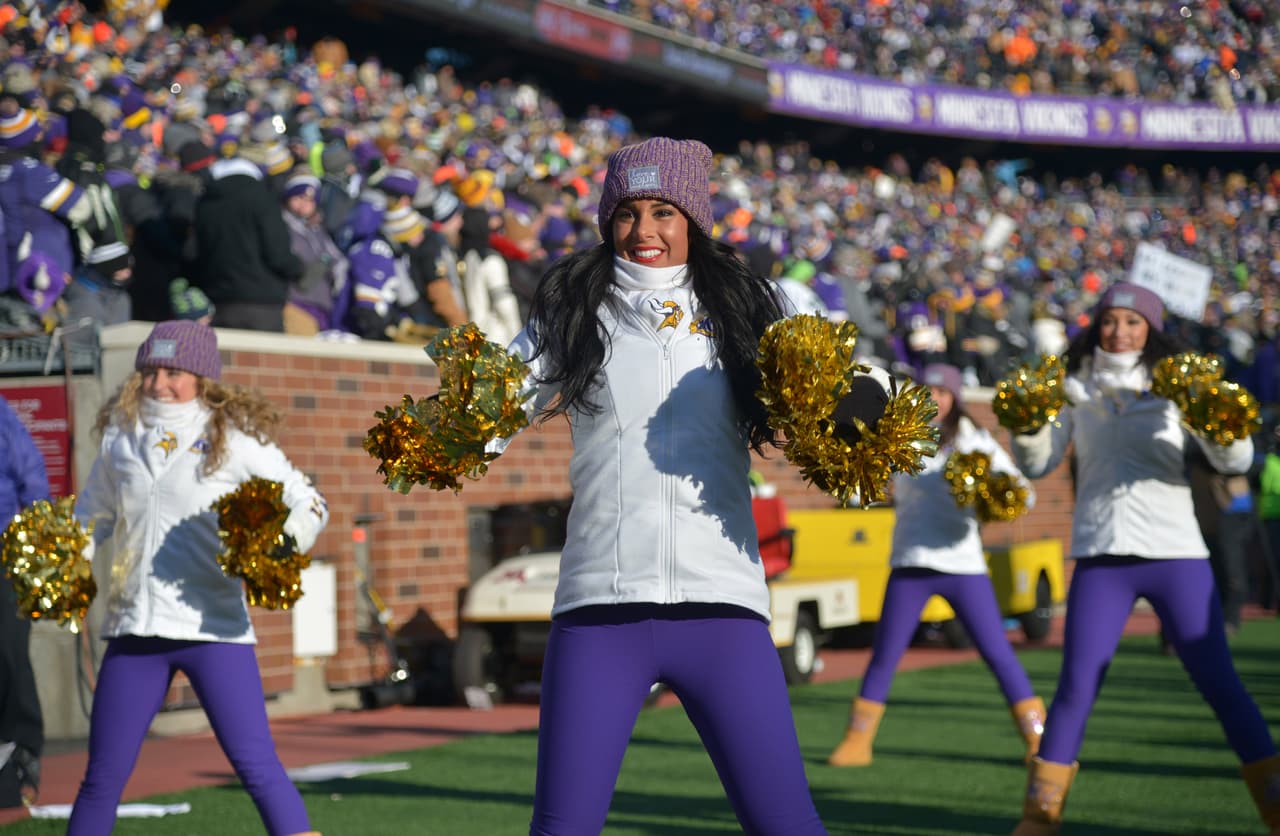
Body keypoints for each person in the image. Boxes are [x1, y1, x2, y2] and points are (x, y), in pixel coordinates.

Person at [496, 137, 828, 834]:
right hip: (600, 610)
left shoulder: (751, 310)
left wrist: (864, 410)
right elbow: (489, 405)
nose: (644, 231)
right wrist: (436, 431)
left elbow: (833, 391)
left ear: (694, 220)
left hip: (722, 607)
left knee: (786, 824)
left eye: (663, 212)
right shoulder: (570, 315)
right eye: (627, 213)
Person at [1006, 283, 1278, 835]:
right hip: (1102, 555)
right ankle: (1039, 817)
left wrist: (1215, 417)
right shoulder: (1072, 384)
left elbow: (1237, 457)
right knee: (1076, 688)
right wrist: (1029, 423)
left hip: (1176, 553)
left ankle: (1276, 808)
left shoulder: (1179, 383)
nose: (1120, 331)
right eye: (1111, 320)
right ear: (1096, 325)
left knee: (1220, 683)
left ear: (1150, 329)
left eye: (1133, 321)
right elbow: (1037, 464)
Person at [68, 320, 328, 836]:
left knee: (257, 767)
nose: (159, 383)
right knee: (101, 778)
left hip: (214, 628)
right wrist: (61, 560)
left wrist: (280, 540)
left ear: (202, 377)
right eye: (151, 370)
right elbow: (91, 516)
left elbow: (309, 502)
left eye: (173, 371)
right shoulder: (122, 436)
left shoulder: (231, 437)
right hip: (135, 630)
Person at [828, 363, 1044, 768]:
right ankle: (857, 740)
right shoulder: (900, 436)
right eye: (928, 392)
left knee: (998, 652)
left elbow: (1023, 495)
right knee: (886, 654)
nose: (936, 400)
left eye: (944, 393)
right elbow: (862, 488)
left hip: (964, 565)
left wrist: (990, 493)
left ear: (956, 398)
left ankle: (1036, 737)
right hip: (911, 562)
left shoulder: (974, 440)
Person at [0, 395, 50, 808]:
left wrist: (38, 549)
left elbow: (31, 476)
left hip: (4, 556)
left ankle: (22, 750)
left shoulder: (1, 415)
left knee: (9, 654)